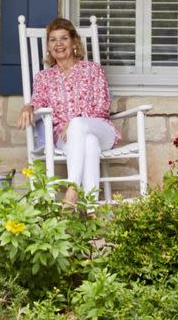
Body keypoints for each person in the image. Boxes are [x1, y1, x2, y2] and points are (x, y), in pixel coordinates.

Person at [18, 16, 119, 205]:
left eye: (64, 38)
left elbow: (103, 107)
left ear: (74, 42)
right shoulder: (43, 77)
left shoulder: (93, 70)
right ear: (48, 46)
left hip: (101, 129)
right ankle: (92, 211)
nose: (58, 44)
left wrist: (75, 122)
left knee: (80, 125)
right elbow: (38, 101)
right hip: (65, 139)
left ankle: (72, 190)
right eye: (53, 39)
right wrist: (28, 106)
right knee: (89, 143)